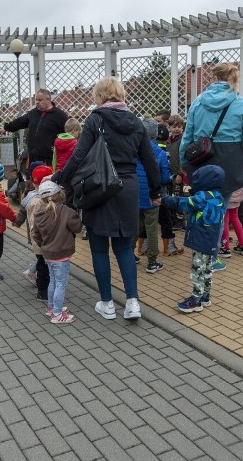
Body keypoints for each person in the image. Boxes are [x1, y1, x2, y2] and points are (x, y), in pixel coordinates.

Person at [49, 77, 161, 321]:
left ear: (100, 96)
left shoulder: (95, 119)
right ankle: (132, 302)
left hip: (99, 187)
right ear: (120, 94)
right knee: (123, 246)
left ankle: (107, 303)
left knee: (99, 249)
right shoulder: (137, 123)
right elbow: (150, 161)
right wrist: (155, 191)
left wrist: (59, 177)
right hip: (128, 187)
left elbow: (78, 156)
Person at [181, 62, 243, 272]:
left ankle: (198, 252)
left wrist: (183, 164)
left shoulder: (198, 102)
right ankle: (211, 256)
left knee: (199, 207)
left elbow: (188, 135)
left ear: (213, 77)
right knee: (219, 211)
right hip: (230, 162)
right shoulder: (242, 103)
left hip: (202, 160)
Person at [161, 165, 226, 312]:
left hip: (200, 239)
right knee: (208, 269)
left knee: (198, 269)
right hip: (212, 239)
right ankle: (205, 297)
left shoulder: (202, 197)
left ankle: (195, 300)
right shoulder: (218, 196)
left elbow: (183, 203)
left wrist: (164, 199)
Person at [31, 181, 82, 324]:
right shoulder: (66, 211)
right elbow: (77, 227)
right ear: (60, 194)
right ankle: (57, 314)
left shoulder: (39, 214)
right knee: (61, 283)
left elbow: (35, 234)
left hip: (47, 254)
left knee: (53, 281)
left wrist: (44, 246)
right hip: (62, 255)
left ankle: (51, 307)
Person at [134, 118, 171, 273]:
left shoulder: (133, 150)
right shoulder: (160, 153)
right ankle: (152, 261)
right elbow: (163, 177)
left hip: (135, 194)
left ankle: (129, 253)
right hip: (153, 195)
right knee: (152, 228)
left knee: (135, 226)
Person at [0, 89, 69, 166]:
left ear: (48, 100)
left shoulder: (60, 116)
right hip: (33, 155)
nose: (37, 102)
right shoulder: (33, 113)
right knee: (32, 177)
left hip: (49, 158)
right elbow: (20, 122)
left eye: (40, 100)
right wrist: (6, 128)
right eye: (36, 100)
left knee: (45, 177)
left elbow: (69, 134)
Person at [15, 164, 53, 301]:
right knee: (44, 268)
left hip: (35, 238)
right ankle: (43, 292)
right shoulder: (43, 201)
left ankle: (41, 282)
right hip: (42, 240)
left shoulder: (29, 195)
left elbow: (22, 211)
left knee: (43, 263)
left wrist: (17, 222)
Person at [156, 123, 183, 255]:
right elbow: (165, 176)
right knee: (165, 219)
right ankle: (169, 248)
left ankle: (142, 247)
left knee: (145, 221)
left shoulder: (142, 149)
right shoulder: (163, 152)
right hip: (160, 191)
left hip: (144, 191)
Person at [220, 187, 243, 256]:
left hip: (227, 196)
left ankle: (225, 248)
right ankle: (242, 245)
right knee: (235, 218)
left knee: (225, 221)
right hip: (238, 195)